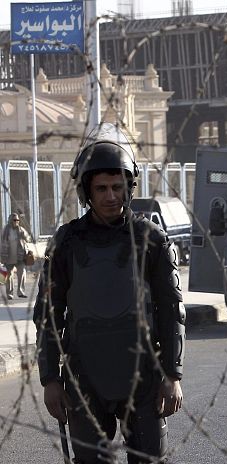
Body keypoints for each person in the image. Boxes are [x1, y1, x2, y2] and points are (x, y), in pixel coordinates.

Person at [33, 123, 186, 463]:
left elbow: (171, 310)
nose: (110, 196)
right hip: (85, 378)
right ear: (87, 191)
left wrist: (172, 375)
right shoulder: (66, 243)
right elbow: (48, 316)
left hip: (142, 378)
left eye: (117, 187)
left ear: (129, 187)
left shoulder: (152, 240)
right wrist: (50, 380)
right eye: (101, 188)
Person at [1, 212, 32, 298]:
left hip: (20, 256)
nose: (16, 221)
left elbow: (28, 239)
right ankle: (9, 294)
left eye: (17, 220)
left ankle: (20, 292)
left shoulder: (21, 230)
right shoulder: (4, 231)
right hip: (8, 257)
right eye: (14, 220)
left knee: (21, 274)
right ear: (10, 220)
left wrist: (25, 236)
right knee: (8, 276)